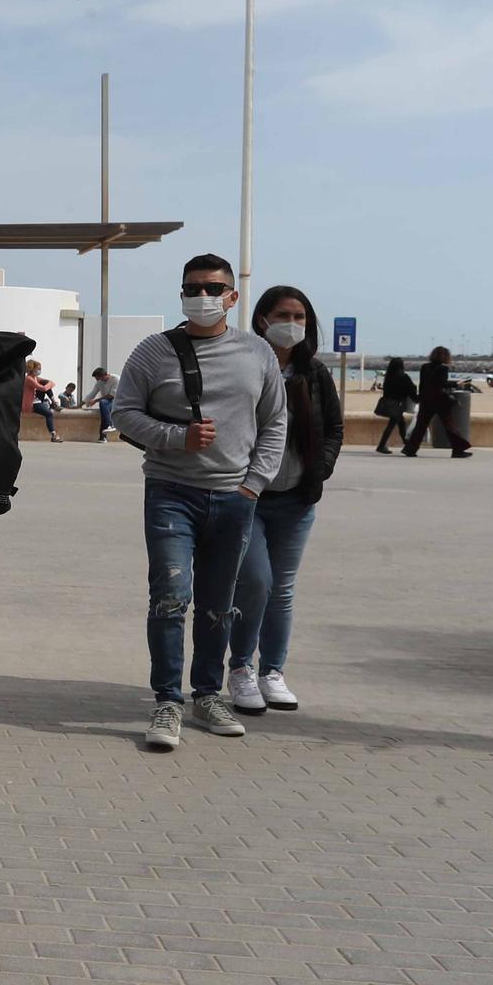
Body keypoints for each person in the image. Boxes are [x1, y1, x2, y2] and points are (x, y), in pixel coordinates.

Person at [114, 253, 286, 751]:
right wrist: (175, 437)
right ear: (182, 294)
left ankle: (208, 694)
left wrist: (254, 483)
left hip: (235, 497)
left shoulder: (257, 354)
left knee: (218, 604)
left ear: (233, 296)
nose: (203, 296)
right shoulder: (153, 352)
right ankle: (167, 700)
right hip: (171, 492)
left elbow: (274, 422)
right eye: (194, 287)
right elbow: (124, 413)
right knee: (170, 597)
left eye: (214, 288)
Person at [225, 285, 340, 717]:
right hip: (248, 496)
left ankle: (272, 671)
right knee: (256, 582)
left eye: (300, 317)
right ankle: (240, 668)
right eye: (284, 315)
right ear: (262, 320)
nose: (292, 324)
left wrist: (319, 469)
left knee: (282, 589)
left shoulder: (315, 374)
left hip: (298, 500)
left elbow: (334, 429)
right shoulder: (245, 366)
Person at [402, 347, 472, 457]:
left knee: (420, 426)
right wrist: (456, 384)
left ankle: (410, 449)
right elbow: (441, 383)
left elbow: (423, 384)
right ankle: (458, 450)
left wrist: (421, 397)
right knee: (449, 425)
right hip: (439, 400)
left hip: (426, 400)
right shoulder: (443, 369)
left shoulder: (424, 367)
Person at [375, 357, 417, 453]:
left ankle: (406, 445)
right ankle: (382, 445)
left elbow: (386, 393)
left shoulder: (388, 378)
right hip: (398, 405)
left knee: (401, 423)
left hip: (390, 404)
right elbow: (411, 390)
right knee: (392, 424)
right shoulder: (404, 377)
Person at [23, 359, 61, 442]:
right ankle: (53, 435)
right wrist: (51, 384)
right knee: (49, 414)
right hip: (32, 403)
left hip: (37, 400)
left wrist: (49, 383)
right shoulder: (28, 379)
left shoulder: (36, 378)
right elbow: (43, 388)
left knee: (45, 384)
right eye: (38, 369)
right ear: (33, 369)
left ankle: (54, 402)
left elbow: (45, 383)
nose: (39, 370)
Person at [84, 366, 119, 441]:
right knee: (104, 412)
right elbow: (92, 394)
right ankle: (103, 436)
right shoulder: (100, 382)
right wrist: (82, 403)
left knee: (103, 403)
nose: (98, 381)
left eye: (99, 378)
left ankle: (110, 425)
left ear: (104, 375)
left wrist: (96, 400)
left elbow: (111, 395)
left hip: (117, 401)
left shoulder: (115, 379)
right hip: (107, 402)